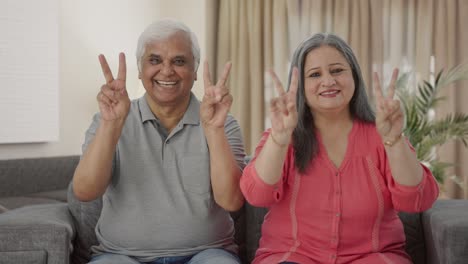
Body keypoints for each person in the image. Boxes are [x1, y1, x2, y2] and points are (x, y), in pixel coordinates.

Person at [240, 33, 439, 264]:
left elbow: (418, 200)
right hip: (292, 256)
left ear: (353, 75)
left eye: (337, 70)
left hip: (372, 257)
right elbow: (257, 195)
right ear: (302, 86)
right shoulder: (282, 136)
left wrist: (395, 141)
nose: (328, 81)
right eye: (315, 74)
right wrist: (279, 138)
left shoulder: (382, 135)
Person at [71, 19, 246, 264]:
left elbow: (232, 201)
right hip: (120, 256)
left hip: (207, 253)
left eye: (179, 61)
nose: (167, 70)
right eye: (155, 60)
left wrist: (213, 130)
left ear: (194, 71)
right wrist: (112, 125)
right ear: (140, 70)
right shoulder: (107, 120)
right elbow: (84, 191)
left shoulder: (223, 123)